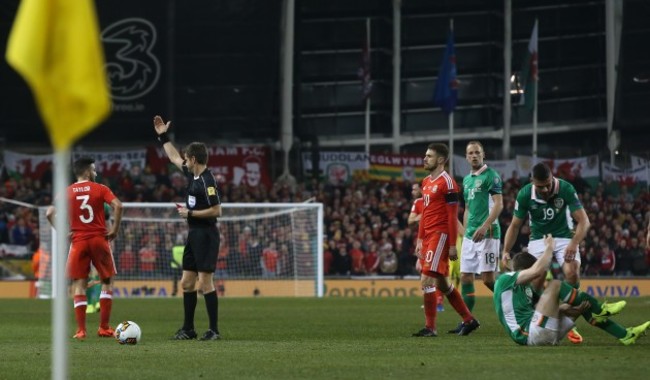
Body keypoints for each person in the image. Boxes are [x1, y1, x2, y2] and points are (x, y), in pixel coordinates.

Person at [494, 234, 649, 346]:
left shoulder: (526, 289)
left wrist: (569, 310)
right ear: (524, 270)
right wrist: (549, 247)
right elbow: (536, 270)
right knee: (555, 285)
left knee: (579, 305)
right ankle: (600, 309)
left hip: (540, 332)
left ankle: (625, 335)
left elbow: (543, 311)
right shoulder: (505, 280)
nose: (536, 278)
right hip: (529, 334)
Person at [501, 162, 590, 344]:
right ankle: (544, 317)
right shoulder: (525, 194)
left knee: (571, 273)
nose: (546, 188)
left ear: (552, 178)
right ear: (532, 182)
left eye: (548, 184)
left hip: (565, 236)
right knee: (536, 279)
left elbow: (584, 221)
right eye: (541, 186)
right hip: (538, 240)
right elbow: (515, 225)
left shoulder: (565, 188)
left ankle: (569, 319)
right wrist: (505, 251)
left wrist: (574, 243)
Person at [154, 115, 223, 341]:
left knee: (205, 282)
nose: (183, 160)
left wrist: (190, 213)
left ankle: (213, 330)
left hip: (206, 234)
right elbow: (173, 156)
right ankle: (188, 329)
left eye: (187, 158)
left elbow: (217, 211)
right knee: (186, 282)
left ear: (193, 159)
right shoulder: (192, 173)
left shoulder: (207, 181)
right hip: (194, 234)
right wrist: (163, 135)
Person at [46, 156, 123, 340]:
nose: (95, 172)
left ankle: (81, 331)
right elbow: (118, 206)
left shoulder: (66, 191)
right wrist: (114, 230)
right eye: (94, 169)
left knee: (78, 285)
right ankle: (104, 328)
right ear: (88, 171)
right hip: (98, 239)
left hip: (78, 241)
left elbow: (49, 213)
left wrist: (63, 231)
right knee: (107, 281)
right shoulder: (100, 188)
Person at [412, 143, 480, 337]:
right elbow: (424, 213)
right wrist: (419, 239)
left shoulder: (448, 183)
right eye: (425, 155)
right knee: (442, 283)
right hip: (428, 237)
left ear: (441, 160)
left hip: (440, 236)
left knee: (427, 280)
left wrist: (451, 245)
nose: (425, 159)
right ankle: (469, 319)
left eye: (429, 156)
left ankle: (430, 327)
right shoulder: (426, 182)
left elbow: (452, 216)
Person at [452, 141, 503, 333]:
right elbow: (467, 209)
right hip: (470, 235)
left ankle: (513, 300)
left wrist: (485, 225)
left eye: (477, 153)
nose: (474, 156)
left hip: (488, 234)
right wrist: (465, 233)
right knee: (465, 277)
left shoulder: (492, 176)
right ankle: (468, 320)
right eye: (470, 153)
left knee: (488, 279)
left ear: (483, 155)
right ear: (466, 157)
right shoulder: (466, 180)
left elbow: (499, 205)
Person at [408, 183, 444, 311]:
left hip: (436, 236)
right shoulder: (418, 202)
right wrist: (422, 215)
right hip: (422, 239)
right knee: (423, 269)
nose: (413, 192)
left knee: (433, 271)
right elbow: (410, 221)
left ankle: (438, 302)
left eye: (415, 189)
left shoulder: (436, 200)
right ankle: (433, 300)